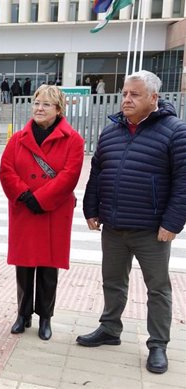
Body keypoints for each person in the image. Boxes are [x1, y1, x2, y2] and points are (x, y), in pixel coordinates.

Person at [78, 70, 186, 374]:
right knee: (113, 281)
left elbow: (183, 182)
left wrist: (173, 222)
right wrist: (91, 208)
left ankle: (158, 344)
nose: (126, 99)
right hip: (113, 226)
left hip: (152, 230)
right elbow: (98, 172)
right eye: (125, 93)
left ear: (154, 98)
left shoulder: (175, 131)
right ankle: (110, 328)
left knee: (158, 288)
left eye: (134, 94)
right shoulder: (111, 131)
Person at [0, 85, 84, 341]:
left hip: (53, 211)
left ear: (58, 109)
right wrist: (25, 195)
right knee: (24, 265)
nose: (39, 108)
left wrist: (42, 198)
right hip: (25, 208)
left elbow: (70, 176)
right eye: (37, 102)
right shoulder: (18, 138)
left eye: (46, 104)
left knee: (48, 267)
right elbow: (6, 169)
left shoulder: (74, 140)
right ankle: (22, 314)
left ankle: (45, 317)